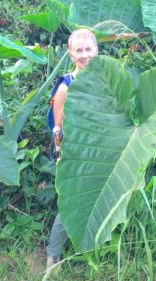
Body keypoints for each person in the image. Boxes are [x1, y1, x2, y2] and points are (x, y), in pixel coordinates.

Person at [46, 29, 98, 267]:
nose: (84, 55)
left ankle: (86, 246)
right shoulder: (66, 86)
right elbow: (57, 128)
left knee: (92, 199)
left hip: (97, 151)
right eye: (79, 50)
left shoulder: (102, 82)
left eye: (88, 49)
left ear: (96, 51)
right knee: (71, 202)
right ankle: (53, 253)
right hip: (73, 153)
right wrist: (60, 156)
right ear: (70, 53)